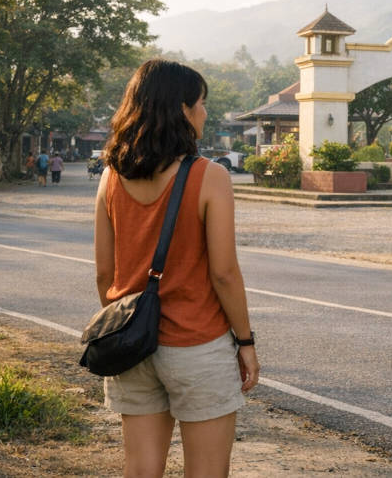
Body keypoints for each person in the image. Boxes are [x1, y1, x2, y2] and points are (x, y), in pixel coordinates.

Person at [94, 59, 259, 477]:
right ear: (183, 110)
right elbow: (224, 273)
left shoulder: (111, 175)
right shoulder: (210, 176)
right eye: (202, 103)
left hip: (133, 344)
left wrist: (131, 326)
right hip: (196, 345)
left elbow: (104, 273)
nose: (205, 113)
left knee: (141, 470)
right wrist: (245, 341)